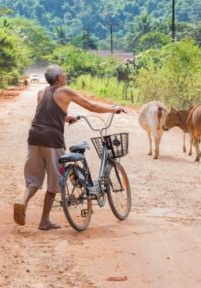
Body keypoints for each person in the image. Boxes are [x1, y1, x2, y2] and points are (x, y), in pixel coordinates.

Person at [13, 65, 124, 230]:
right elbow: (91, 106)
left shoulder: (41, 93)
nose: (65, 75)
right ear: (59, 78)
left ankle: (23, 201)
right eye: (63, 73)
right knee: (54, 181)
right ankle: (44, 221)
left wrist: (65, 117)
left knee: (34, 180)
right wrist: (113, 109)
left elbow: (45, 112)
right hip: (52, 139)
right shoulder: (65, 91)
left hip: (34, 136)